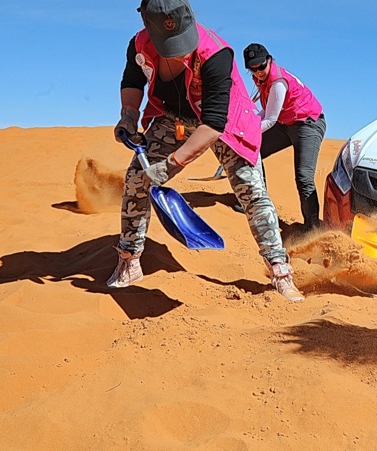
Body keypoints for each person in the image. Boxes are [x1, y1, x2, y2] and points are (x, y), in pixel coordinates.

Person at [107, 0, 304, 302]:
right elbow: (132, 80)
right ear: (149, 29)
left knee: (251, 190)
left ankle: (279, 268)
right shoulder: (139, 45)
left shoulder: (215, 54)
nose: (182, 48)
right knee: (136, 178)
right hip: (171, 116)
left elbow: (213, 124)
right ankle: (129, 260)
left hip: (226, 120)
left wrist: (172, 164)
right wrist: (129, 115)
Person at [243, 43, 326, 231]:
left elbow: (270, 119)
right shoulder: (263, 81)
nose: (258, 72)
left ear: (269, 60)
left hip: (308, 124)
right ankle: (258, 204)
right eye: (253, 69)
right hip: (287, 123)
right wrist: (246, 123)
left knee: (304, 177)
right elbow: (267, 111)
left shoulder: (278, 82)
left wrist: (247, 131)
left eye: (261, 66)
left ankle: (312, 228)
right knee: (252, 152)